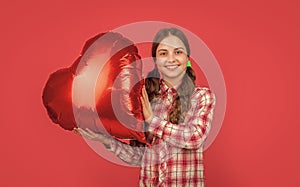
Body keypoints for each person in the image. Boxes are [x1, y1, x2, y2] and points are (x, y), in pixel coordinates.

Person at [74, 27, 216, 187]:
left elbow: (195, 138)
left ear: (187, 58)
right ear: (156, 60)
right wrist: (106, 140)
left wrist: (152, 120)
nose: (171, 59)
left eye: (178, 52)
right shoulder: (145, 97)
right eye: (163, 53)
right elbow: (140, 157)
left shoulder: (201, 96)